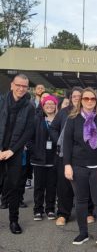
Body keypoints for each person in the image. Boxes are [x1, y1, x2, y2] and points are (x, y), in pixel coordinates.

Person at [63, 87, 97, 247]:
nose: (89, 101)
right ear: (80, 100)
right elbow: (67, 143)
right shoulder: (72, 118)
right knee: (81, 200)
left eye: (92, 99)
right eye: (86, 99)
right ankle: (83, 233)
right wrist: (67, 165)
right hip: (78, 166)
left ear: (96, 101)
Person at [50, 87, 95, 226]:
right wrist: (60, 142)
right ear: (71, 98)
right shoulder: (64, 112)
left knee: (86, 185)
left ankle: (88, 212)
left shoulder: (91, 114)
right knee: (64, 186)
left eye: (79, 96)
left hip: (84, 156)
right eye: (74, 96)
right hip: (65, 155)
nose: (76, 98)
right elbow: (53, 128)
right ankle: (63, 213)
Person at [0, 74, 35, 234]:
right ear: (12, 85)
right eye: (18, 85)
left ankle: (14, 220)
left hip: (15, 152)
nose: (21, 89)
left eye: (24, 87)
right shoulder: (1, 101)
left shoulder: (29, 107)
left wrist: (12, 150)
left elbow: (28, 132)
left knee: (14, 188)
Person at [30, 95, 58, 221]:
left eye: (52, 104)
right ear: (43, 105)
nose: (50, 106)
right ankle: (38, 209)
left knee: (52, 186)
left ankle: (50, 209)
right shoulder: (36, 119)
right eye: (47, 104)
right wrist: (34, 151)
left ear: (56, 105)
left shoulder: (59, 119)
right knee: (39, 186)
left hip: (54, 159)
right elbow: (29, 139)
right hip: (39, 159)